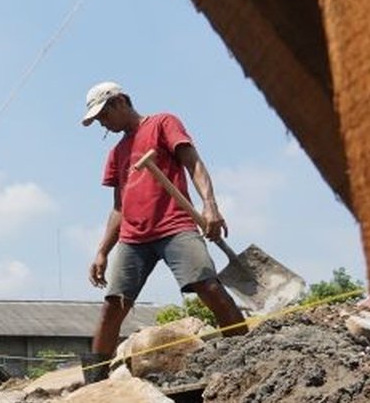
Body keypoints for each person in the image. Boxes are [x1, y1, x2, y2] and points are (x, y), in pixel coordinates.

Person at [80, 81, 246, 385]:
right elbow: (119, 206)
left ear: (119, 102)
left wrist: (210, 206)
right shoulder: (117, 153)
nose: (103, 124)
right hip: (133, 238)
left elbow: (193, 163)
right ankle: (95, 383)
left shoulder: (163, 123)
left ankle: (247, 355)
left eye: (104, 116)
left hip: (175, 226)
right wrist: (103, 250)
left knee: (209, 287)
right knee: (111, 306)